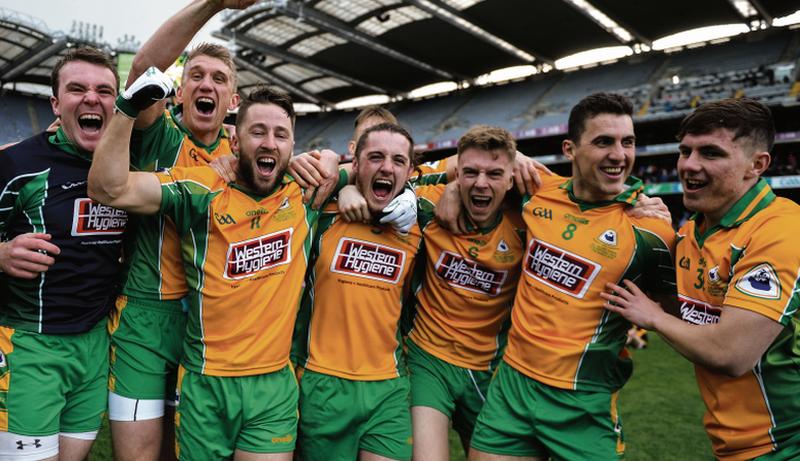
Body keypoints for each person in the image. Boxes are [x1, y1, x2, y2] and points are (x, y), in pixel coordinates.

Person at [89, 78, 342, 460]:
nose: (269, 142)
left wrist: (335, 164)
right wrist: (125, 108)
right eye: (257, 132)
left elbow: (388, 176)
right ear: (235, 142)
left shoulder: (305, 193)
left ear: (293, 146)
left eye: (280, 135)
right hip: (206, 384)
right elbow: (108, 190)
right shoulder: (203, 188)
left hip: (273, 387)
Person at [462, 93, 677, 461]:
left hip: (583, 405)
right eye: (603, 142)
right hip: (511, 389)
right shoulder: (535, 194)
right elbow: (469, 168)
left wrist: (655, 315)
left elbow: (681, 311)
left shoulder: (652, 231)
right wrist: (453, 191)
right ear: (570, 149)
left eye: (628, 142)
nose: (619, 154)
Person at [601, 98, 800, 460]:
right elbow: (688, 311)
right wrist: (647, 230)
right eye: (685, 151)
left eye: (711, 153)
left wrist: (652, 317)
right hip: (734, 444)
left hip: (785, 444)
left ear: (757, 165)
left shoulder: (782, 230)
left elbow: (731, 353)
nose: (689, 165)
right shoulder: (693, 233)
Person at [106, 2, 254, 460]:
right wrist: (213, 3)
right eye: (197, 75)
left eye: (219, 79)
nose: (206, 84)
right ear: (179, 91)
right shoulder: (159, 136)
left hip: (214, 327)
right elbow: (141, 74)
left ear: (233, 102)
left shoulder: (250, 158)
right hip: (145, 324)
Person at [0, 46, 123, 461]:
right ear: (56, 103)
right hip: (30, 348)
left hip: (93, 349)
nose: (92, 98)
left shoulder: (127, 166)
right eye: (77, 89)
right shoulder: (16, 164)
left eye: (104, 91)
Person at [291, 122, 426, 461]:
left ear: (410, 171)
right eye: (376, 157)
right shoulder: (320, 212)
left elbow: (464, 182)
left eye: (398, 161)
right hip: (323, 383)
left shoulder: (421, 222)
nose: (386, 167)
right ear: (356, 162)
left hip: (389, 388)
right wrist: (341, 184)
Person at [405, 126, 525, 460]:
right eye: (470, 173)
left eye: (494, 174)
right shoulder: (428, 205)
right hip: (428, 361)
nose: (481, 183)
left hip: (490, 369)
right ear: (457, 173)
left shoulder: (527, 221)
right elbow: (379, 181)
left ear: (512, 179)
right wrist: (348, 192)